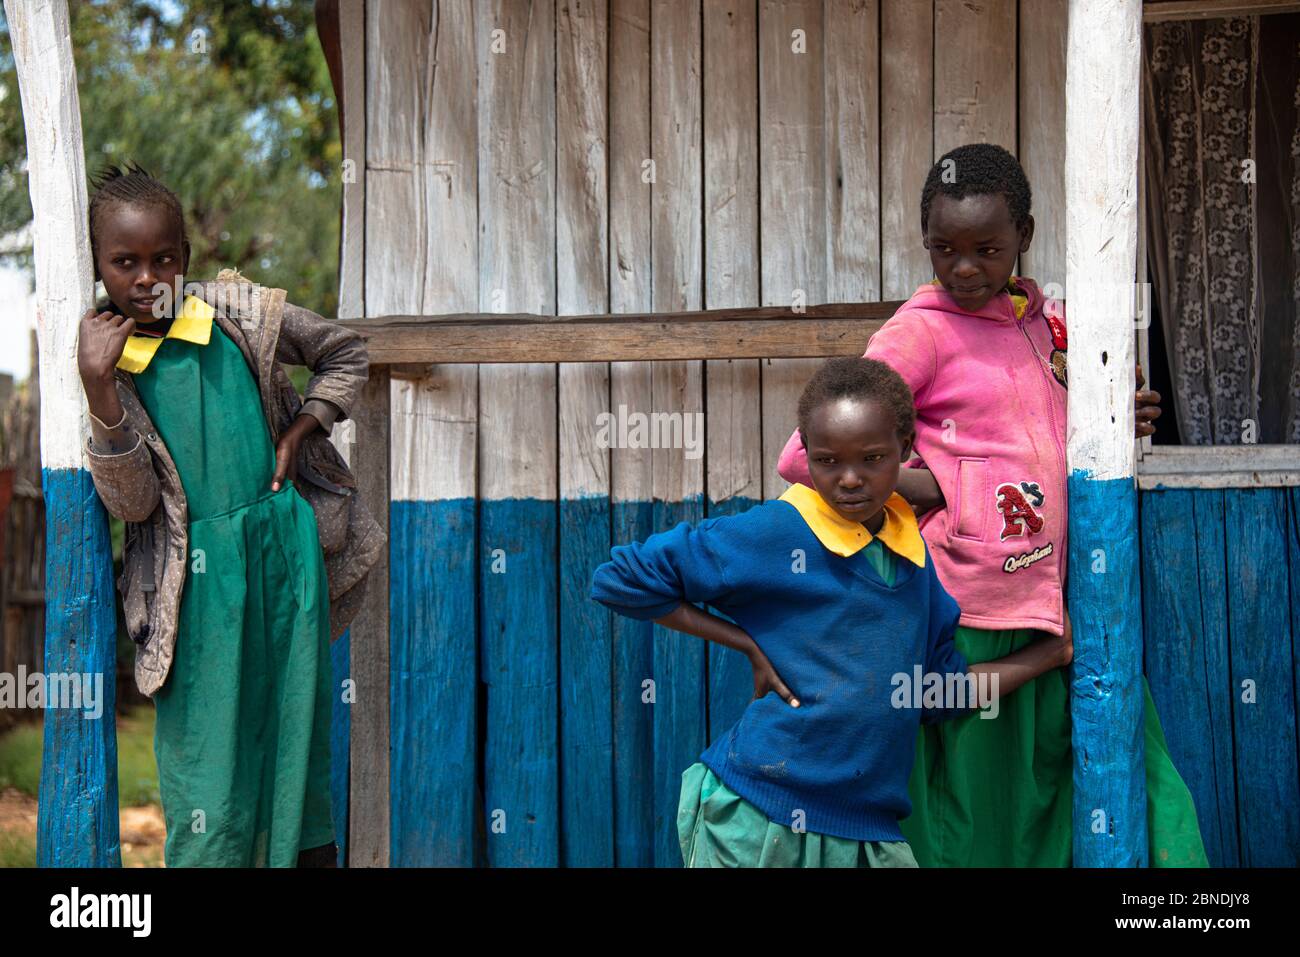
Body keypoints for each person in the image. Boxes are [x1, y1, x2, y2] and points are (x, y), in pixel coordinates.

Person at [777, 143, 1207, 867]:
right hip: (967, 608)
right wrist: (948, 485)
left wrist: (1112, 412)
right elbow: (808, 455)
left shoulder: (1051, 326)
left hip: (1058, 598)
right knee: (971, 815)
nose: (965, 268)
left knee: (1063, 798)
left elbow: (1039, 433)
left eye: (987, 248)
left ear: (1025, 238)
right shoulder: (924, 331)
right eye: (944, 249)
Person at [592, 356, 1072, 867]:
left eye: (871, 459)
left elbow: (938, 693)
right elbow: (622, 580)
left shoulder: (913, 559)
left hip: (867, 834)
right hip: (759, 816)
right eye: (827, 461)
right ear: (806, 454)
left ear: (905, 451)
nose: (849, 479)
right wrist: (745, 641)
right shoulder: (779, 531)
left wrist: (1052, 654)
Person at [76, 164, 383, 867]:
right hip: (195, 591)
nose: (148, 277)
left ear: (188, 258)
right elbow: (134, 502)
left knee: (295, 747)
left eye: (165, 258)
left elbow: (344, 353)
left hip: (282, 558)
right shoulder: (109, 362)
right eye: (125, 262)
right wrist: (98, 389)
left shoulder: (239, 313)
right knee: (206, 766)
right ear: (98, 266)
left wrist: (303, 427)